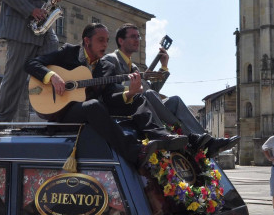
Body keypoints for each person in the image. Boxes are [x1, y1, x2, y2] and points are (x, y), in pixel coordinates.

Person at [25, 23, 187, 166]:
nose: (105, 44)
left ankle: (162, 137)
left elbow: (110, 99)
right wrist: (52, 77)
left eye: (107, 40)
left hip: (91, 112)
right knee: (93, 105)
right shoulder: (69, 52)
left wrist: (129, 93)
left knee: (137, 98)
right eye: (100, 40)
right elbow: (30, 63)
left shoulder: (107, 67)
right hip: (62, 114)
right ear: (87, 41)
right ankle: (134, 151)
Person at [99, 24, 238, 158]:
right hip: (127, 109)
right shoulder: (111, 59)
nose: (137, 40)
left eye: (138, 37)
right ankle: (187, 137)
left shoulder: (134, 67)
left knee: (175, 100)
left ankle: (207, 142)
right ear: (121, 40)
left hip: (145, 105)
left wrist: (163, 67)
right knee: (148, 94)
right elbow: (110, 89)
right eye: (133, 36)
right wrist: (130, 88)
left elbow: (152, 90)